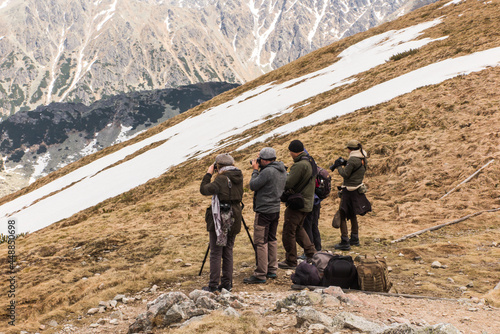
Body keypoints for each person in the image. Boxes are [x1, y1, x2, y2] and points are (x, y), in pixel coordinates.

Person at [200, 153, 243, 292]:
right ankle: (226, 283)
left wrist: (208, 174)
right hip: (235, 215)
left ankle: (213, 285)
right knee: (228, 250)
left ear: (218, 166)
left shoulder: (221, 179)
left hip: (220, 217)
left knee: (216, 252)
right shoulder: (238, 176)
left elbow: (204, 189)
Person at [243, 147, 287, 284]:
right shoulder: (282, 169)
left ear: (264, 160)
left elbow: (253, 185)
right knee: (271, 239)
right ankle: (272, 269)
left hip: (264, 211)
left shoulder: (267, 172)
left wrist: (255, 170)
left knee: (260, 241)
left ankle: (260, 273)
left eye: (259, 159)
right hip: (275, 209)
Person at [278, 140, 317, 269]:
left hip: (297, 203)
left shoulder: (300, 165)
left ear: (293, 151)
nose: (290, 154)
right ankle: (312, 254)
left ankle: (291, 260)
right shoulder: (310, 161)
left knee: (289, 231)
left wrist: (283, 175)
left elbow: (288, 183)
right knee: (299, 228)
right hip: (307, 202)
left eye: (290, 151)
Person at [331, 140, 372, 251]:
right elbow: (355, 169)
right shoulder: (363, 158)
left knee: (343, 214)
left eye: (348, 148)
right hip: (357, 188)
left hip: (349, 190)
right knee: (353, 214)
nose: (347, 150)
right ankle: (354, 238)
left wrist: (339, 166)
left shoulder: (353, 159)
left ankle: (344, 241)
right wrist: (345, 163)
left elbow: (345, 174)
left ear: (351, 149)